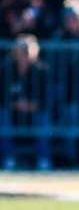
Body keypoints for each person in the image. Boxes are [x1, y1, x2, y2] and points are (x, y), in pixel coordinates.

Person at [0, 35, 51, 170]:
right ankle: (8, 158)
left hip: (35, 112)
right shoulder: (6, 70)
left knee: (43, 118)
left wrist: (31, 106)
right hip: (12, 112)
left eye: (27, 51)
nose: (24, 55)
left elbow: (46, 99)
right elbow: (3, 97)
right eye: (21, 51)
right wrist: (16, 105)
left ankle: (43, 159)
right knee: (2, 116)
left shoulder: (42, 71)